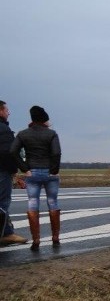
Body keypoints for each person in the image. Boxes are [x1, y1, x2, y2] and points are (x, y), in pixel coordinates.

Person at [10, 106, 62, 250]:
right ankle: (55, 237)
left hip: (32, 173)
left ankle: (36, 240)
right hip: (49, 173)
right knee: (53, 202)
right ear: (44, 119)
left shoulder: (23, 134)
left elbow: (13, 151)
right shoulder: (51, 134)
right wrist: (54, 170)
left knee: (33, 202)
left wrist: (25, 169)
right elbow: (56, 153)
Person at [0, 100, 27, 245]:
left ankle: (7, 232)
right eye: (6, 110)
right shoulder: (3, 129)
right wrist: (14, 170)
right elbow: (7, 152)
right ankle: (5, 234)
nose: (8, 112)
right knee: (2, 203)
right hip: (2, 171)